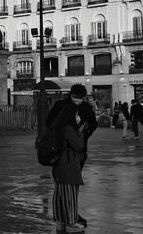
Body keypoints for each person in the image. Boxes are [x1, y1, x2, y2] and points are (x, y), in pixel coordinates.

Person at [46, 84, 96, 227]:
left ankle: (63, 215)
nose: (78, 100)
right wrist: (78, 132)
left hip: (71, 152)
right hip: (68, 151)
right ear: (70, 95)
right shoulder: (62, 106)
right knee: (68, 185)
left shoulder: (86, 107)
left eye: (80, 98)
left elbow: (93, 123)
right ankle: (69, 215)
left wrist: (86, 132)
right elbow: (49, 122)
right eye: (76, 97)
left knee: (64, 185)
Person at [50, 103, 86, 234]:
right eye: (77, 114)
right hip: (68, 165)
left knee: (60, 194)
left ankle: (61, 221)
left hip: (59, 166)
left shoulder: (58, 126)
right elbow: (78, 146)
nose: (78, 117)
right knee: (70, 194)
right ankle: (71, 222)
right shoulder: (69, 129)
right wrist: (80, 133)